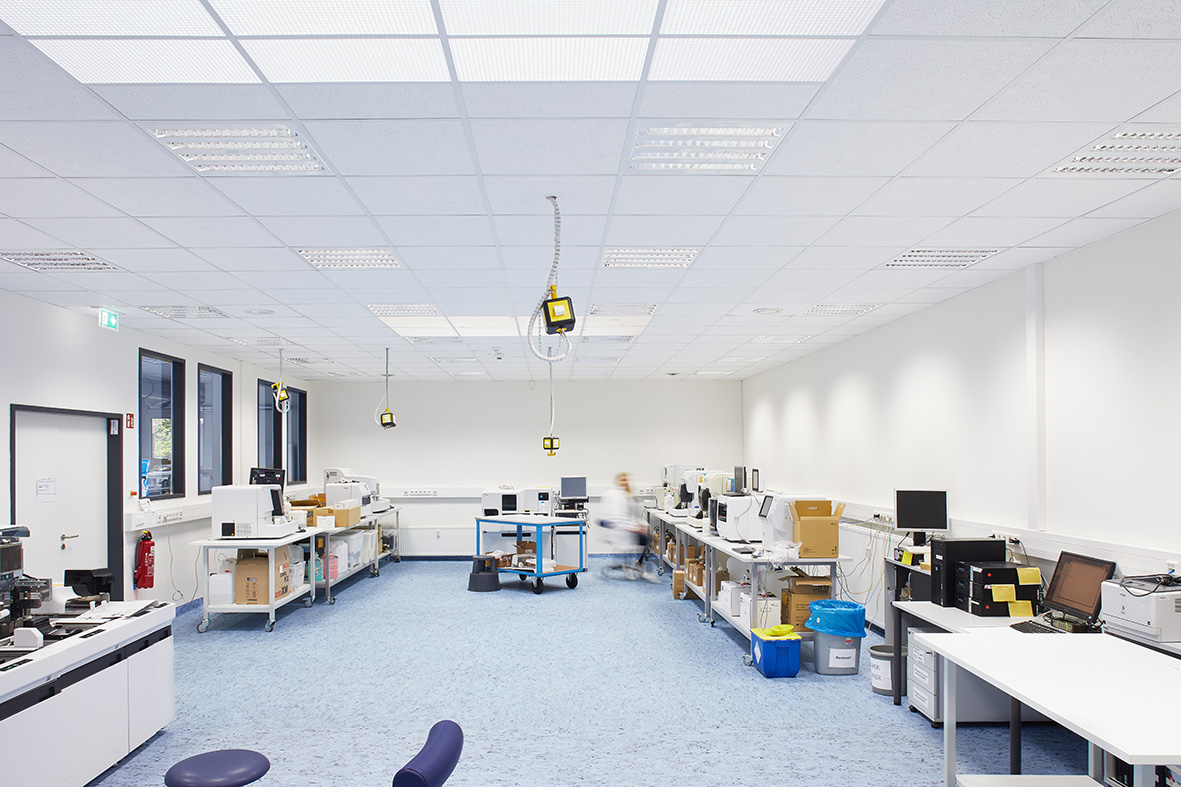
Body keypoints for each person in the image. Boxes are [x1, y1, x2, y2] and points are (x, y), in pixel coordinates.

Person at [598, 472, 659, 582]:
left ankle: (641, 567)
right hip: (620, 531)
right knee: (640, 540)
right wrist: (633, 528)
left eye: (626, 480)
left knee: (647, 538)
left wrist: (643, 525)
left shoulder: (629, 496)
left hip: (630, 528)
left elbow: (633, 516)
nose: (625, 482)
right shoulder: (613, 496)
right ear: (617, 481)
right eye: (622, 480)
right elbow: (616, 519)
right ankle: (630, 568)